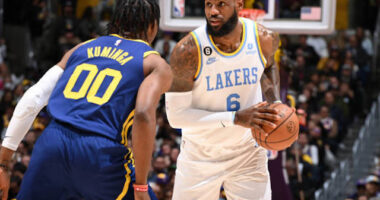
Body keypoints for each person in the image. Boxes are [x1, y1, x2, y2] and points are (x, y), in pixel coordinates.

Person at [0, 0, 172, 199]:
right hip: (100, 153)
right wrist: (141, 187)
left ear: (115, 21)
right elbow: (143, 114)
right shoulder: (153, 62)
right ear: (153, 26)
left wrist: (3, 163)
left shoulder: (81, 48)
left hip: (52, 143)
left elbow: (34, 97)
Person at [165, 0, 282, 199]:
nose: (213, 11)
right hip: (200, 156)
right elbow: (176, 117)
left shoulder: (264, 38)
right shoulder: (187, 50)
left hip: (248, 153)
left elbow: (268, 66)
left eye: (221, 4)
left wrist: (276, 104)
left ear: (239, 4)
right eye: (208, 4)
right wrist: (235, 118)